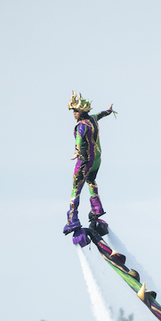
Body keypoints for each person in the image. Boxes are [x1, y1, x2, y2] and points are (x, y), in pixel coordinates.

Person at [64, 91, 116, 242]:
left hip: (85, 161)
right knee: (91, 182)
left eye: (76, 111)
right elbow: (100, 115)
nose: (74, 114)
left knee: (76, 189)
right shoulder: (93, 119)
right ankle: (96, 211)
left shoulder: (81, 126)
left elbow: (79, 140)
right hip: (97, 160)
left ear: (82, 112)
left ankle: (72, 221)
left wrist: (76, 152)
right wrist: (109, 111)